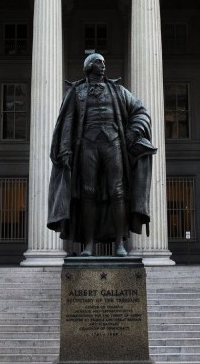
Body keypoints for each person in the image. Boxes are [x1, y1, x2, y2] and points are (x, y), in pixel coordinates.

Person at [47, 53, 156, 256]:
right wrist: (65, 149)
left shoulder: (118, 91)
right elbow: (68, 122)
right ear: (88, 66)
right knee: (88, 193)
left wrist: (133, 131)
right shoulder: (76, 92)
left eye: (104, 62)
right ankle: (88, 245)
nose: (103, 65)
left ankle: (119, 244)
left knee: (118, 192)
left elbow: (141, 111)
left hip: (113, 143)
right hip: (87, 144)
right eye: (99, 62)